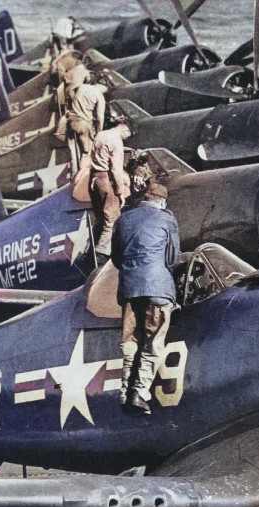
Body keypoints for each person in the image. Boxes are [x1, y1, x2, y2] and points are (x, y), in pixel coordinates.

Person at [111, 183, 181, 415]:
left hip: (129, 289)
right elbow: (172, 258)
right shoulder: (167, 219)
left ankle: (124, 392)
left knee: (130, 341)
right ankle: (140, 394)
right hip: (158, 289)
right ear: (162, 201)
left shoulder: (123, 219)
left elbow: (116, 258)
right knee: (153, 341)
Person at [89, 116, 134, 267]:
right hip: (105, 180)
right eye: (129, 133)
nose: (128, 137)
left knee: (100, 219)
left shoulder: (101, 134)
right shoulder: (117, 142)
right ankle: (100, 257)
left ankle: (91, 251)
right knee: (112, 220)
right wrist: (120, 192)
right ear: (125, 127)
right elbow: (116, 169)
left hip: (93, 178)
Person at [65, 64, 105, 173]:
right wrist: (99, 132)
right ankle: (83, 175)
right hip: (84, 125)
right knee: (87, 153)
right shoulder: (99, 95)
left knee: (73, 152)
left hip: (72, 122)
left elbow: (71, 93)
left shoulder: (81, 87)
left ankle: (75, 172)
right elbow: (100, 118)